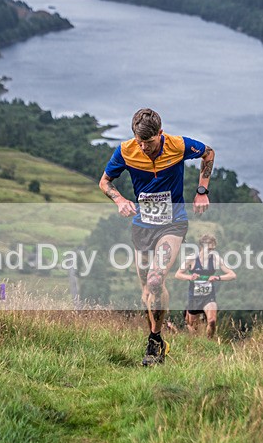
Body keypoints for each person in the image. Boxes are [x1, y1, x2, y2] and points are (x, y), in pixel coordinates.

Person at [99, 108, 215, 366]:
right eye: (139, 142)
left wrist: (202, 190)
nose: (143, 148)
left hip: (172, 225)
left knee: (155, 279)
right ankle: (159, 334)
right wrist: (119, 200)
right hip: (142, 227)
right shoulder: (126, 150)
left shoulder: (178, 145)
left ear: (160, 134)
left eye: (149, 143)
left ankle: (154, 342)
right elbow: (105, 182)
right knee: (147, 292)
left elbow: (208, 153)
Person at [175, 233, 236, 338]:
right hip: (194, 297)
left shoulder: (216, 259)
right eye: (209, 249)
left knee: (212, 321)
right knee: (193, 328)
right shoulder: (192, 259)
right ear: (201, 247)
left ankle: (208, 341)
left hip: (209, 297)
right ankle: (197, 343)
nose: (211, 252)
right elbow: (178, 274)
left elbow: (232, 275)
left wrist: (217, 278)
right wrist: (190, 277)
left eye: (213, 249)